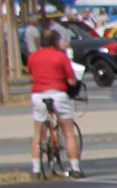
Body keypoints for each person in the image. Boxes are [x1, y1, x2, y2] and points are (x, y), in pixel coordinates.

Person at [27, 27, 82, 177]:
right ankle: (75, 168)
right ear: (56, 42)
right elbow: (71, 80)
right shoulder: (61, 57)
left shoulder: (33, 56)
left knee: (38, 133)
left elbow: (32, 75)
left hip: (38, 95)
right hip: (58, 94)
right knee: (68, 132)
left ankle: (36, 169)